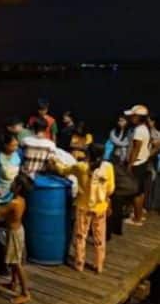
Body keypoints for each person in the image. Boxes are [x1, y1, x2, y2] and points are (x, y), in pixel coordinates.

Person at [51, 143, 113, 273]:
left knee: (80, 236)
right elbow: (111, 189)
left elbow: (63, 170)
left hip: (83, 207)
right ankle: (99, 265)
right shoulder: (108, 167)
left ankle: (79, 264)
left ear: (88, 154)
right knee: (99, 237)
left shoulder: (81, 167)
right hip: (100, 207)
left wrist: (54, 161)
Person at [0, 174, 33, 304]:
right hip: (17, 231)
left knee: (16, 263)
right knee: (13, 260)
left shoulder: (14, 203)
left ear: (18, 187)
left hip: (14, 234)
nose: (11, 185)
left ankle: (25, 293)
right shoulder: (21, 199)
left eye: (13, 183)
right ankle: (13, 283)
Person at [125, 105, 151, 226]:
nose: (130, 117)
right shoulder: (145, 128)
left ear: (139, 117)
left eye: (133, 115)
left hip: (137, 163)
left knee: (135, 192)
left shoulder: (139, 130)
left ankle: (137, 219)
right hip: (143, 161)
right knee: (140, 191)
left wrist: (130, 164)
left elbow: (136, 148)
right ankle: (138, 214)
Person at [0, 132, 22, 205]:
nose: (15, 148)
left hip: (13, 190)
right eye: (12, 145)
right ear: (5, 145)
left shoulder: (19, 153)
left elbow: (20, 171)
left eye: (17, 145)